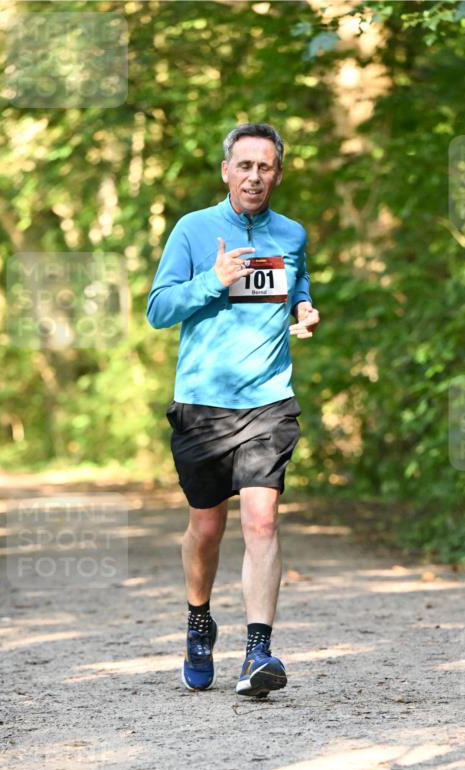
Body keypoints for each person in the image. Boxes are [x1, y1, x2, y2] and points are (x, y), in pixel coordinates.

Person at [146, 123, 320, 698]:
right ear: (226, 171)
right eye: (244, 165)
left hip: (269, 402)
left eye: (265, 166)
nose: (254, 176)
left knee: (262, 521)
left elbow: (297, 281)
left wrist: (303, 307)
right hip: (202, 405)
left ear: (278, 174)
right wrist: (213, 281)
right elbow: (158, 309)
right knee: (206, 528)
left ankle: (258, 652)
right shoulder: (193, 229)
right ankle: (199, 622)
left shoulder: (291, 233)